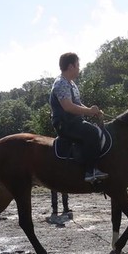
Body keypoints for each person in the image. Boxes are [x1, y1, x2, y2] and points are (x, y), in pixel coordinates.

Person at [49, 52, 108, 182]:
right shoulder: (61, 83)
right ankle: (90, 171)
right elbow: (68, 107)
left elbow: (77, 104)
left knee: (94, 131)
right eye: (77, 65)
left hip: (74, 122)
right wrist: (88, 112)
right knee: (93, 132)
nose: (79, 68)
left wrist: (92, 111)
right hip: (65, 123)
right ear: (70, 66)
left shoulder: (71, 84)